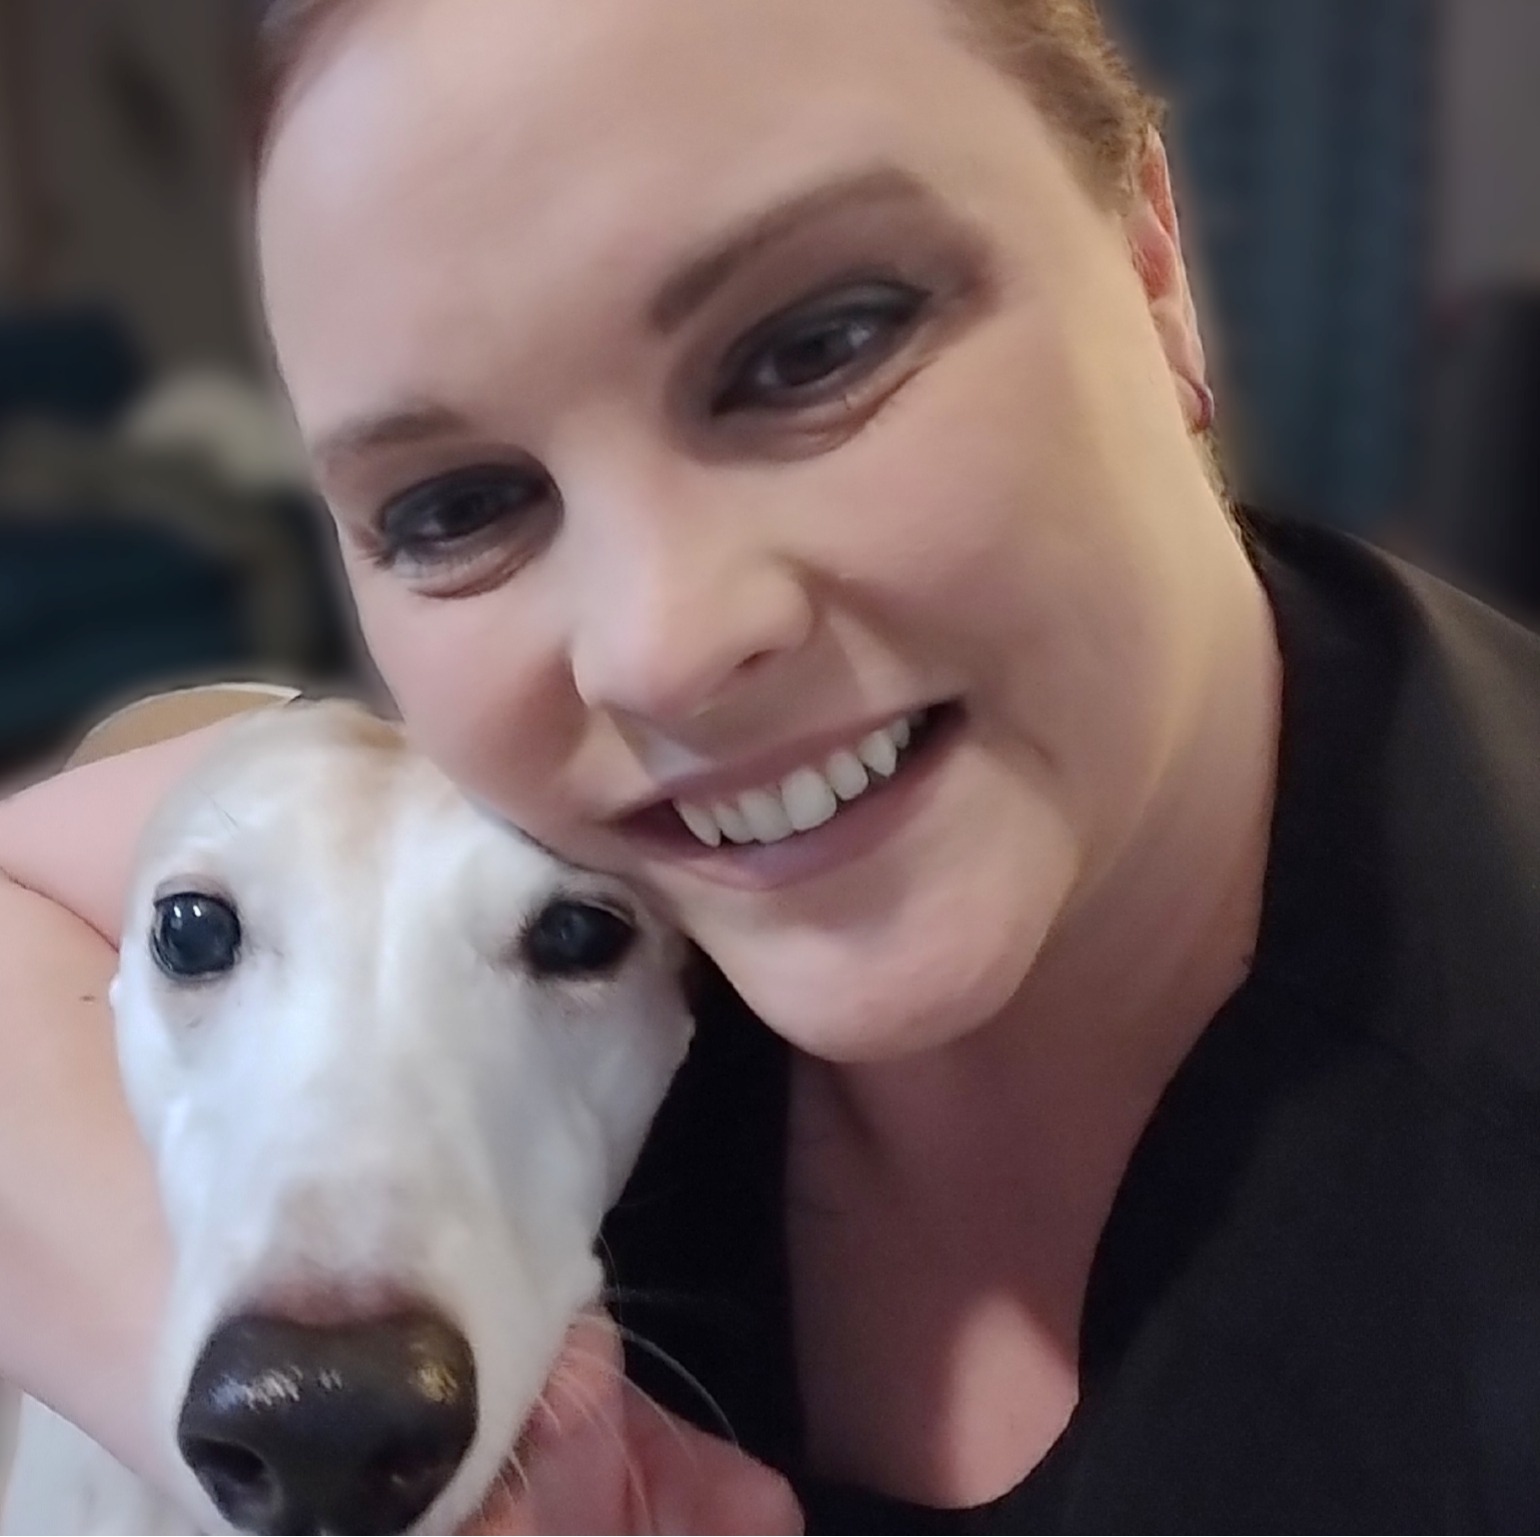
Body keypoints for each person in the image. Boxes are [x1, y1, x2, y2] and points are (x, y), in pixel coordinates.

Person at [3, 1, 1540, 1530]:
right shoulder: (565, 848)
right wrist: (328, 1437)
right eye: (454, 505)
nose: (659, 649)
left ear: (1152, 263)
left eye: (820, 346)